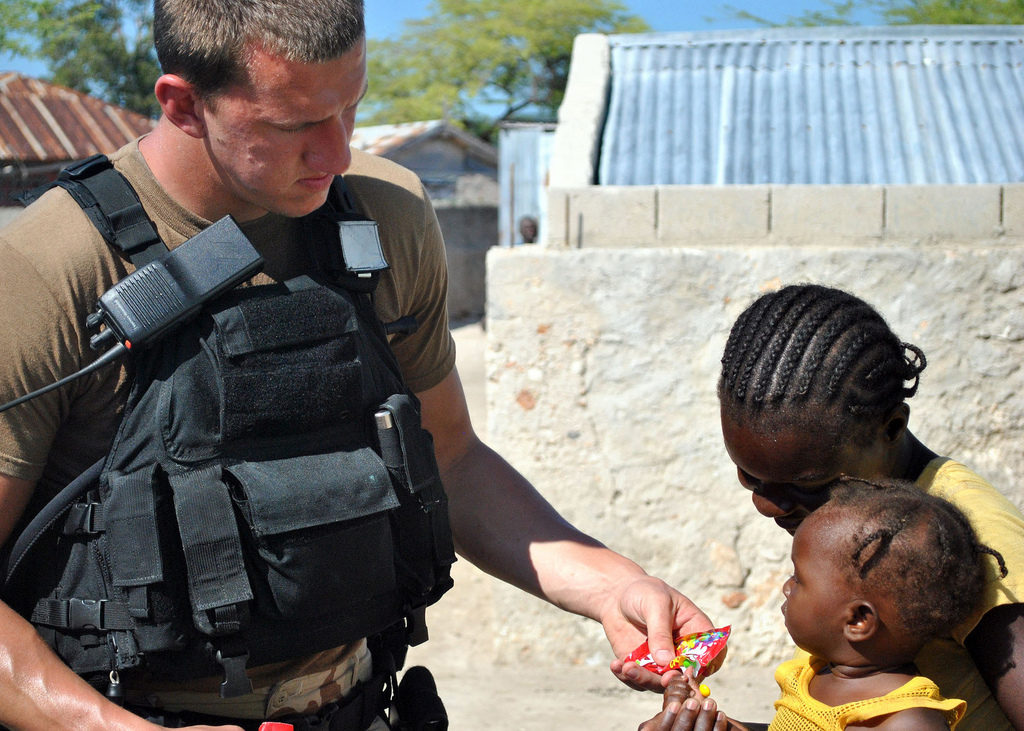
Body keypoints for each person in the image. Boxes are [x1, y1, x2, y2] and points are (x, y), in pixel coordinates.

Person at [0, 1, 712, 729]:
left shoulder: (382, 216)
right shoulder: (52, 265)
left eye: (351, 108)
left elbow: (453, 456)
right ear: (184, 104)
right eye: (292, 125)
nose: (336, 154)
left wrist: (611, 585)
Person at [714, 283, 1024, 730]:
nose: (766, 504)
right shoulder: (855, 525)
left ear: (892, 425)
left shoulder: (968, 535)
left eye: (808, 482)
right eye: (749, 476)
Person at [639, 478, 1006, 731]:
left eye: (799, 579)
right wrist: (713, 722)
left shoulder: (904, 719)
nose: (785, 587)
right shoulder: (816, 674)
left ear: (858, 620)